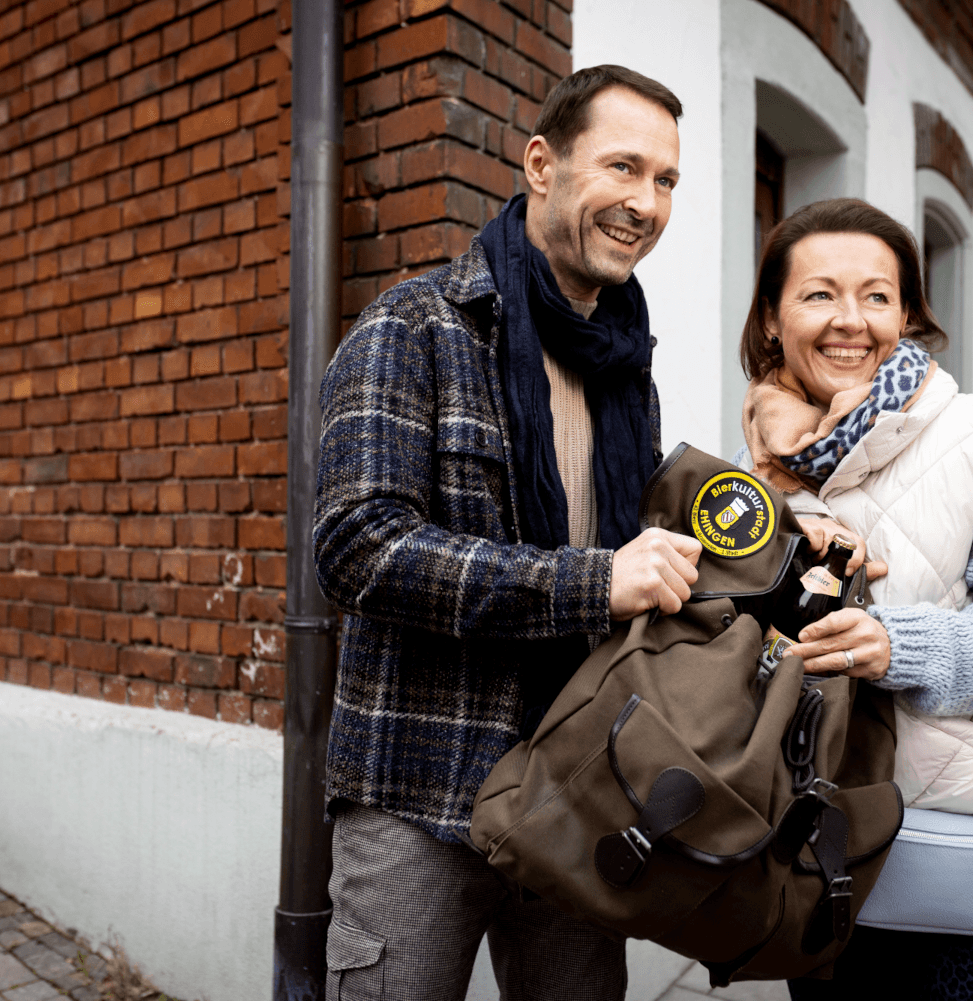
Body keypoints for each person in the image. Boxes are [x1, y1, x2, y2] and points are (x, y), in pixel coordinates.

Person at [313, 66, 700, 1001]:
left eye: (666, 181)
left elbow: (642, 559)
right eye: (623, 167)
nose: (645, 203)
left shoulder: (625, 371)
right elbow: (357, 544)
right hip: (420, 787)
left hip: (578, 782)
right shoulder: (417, 325)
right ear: (541, 162)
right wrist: (589, 582)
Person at [735, 198, 973, 1001]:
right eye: (819, 293)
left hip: (942, 859)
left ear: (908, 316)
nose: (849, 320)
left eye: (877, 296)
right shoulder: (756, 466)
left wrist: (899, 645)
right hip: (808, 850)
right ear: (771, 318)